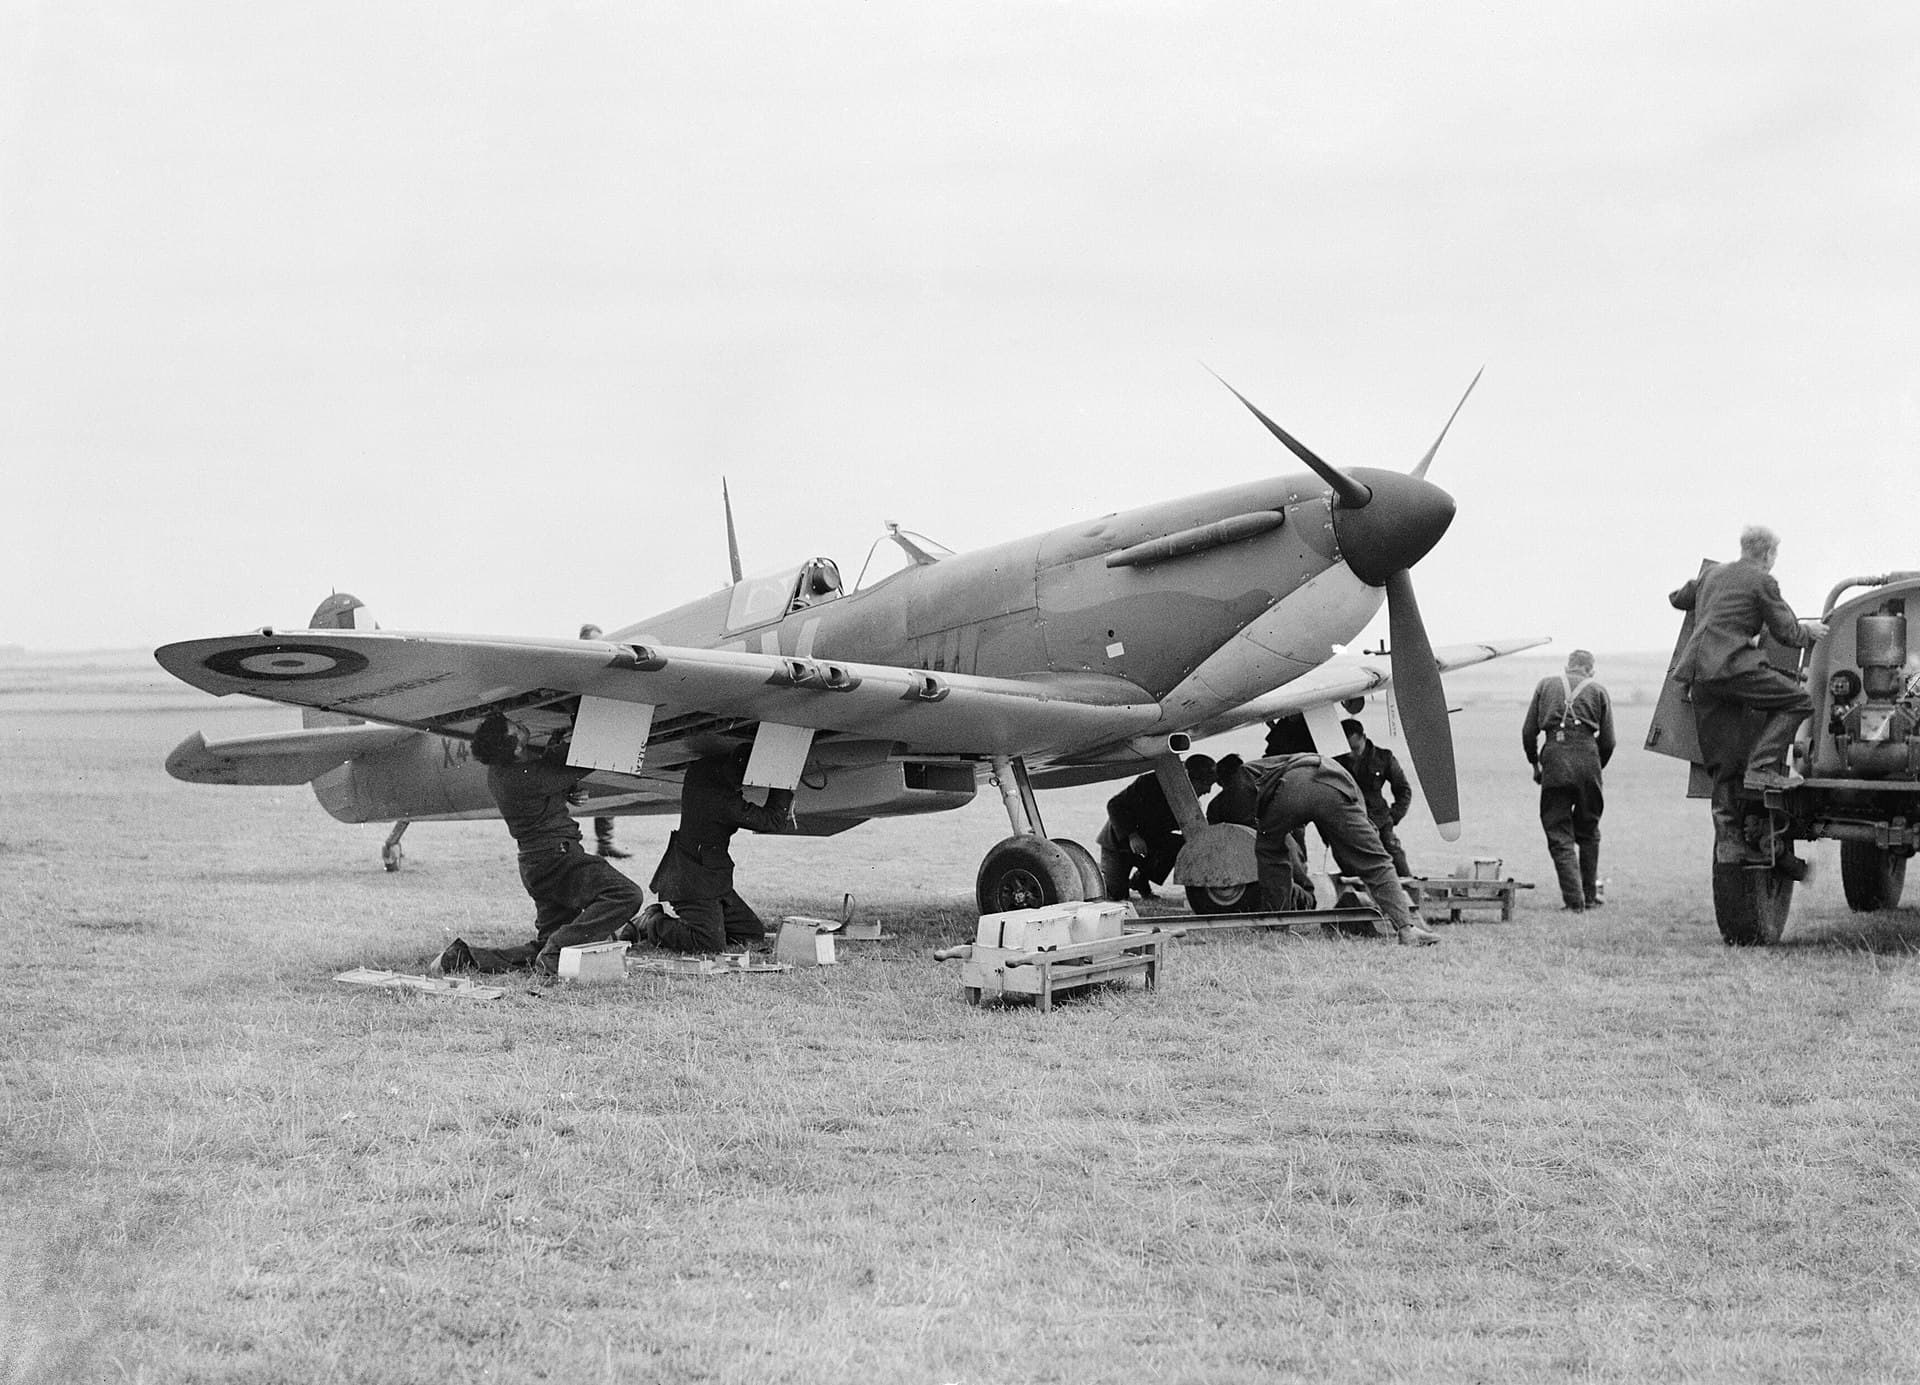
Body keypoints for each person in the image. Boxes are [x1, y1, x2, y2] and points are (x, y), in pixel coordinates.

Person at [434, 713, 646, 976]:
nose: (520, 724)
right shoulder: (527, 777)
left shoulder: (502, 772)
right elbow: (587, 758)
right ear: (515, 748)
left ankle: (465, 958)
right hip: (558, 860)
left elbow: (546, 776)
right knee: (626, 895)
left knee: (546, 942)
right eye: (515, 728)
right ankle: (555, 953)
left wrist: (566, 789)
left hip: (538, 865)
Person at [1669, 526, 1827, 797]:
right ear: (1768, 554)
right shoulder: (1763, 581)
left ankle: (1728, 826)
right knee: (1799, 701)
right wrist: (1808, 632)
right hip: (1732, 666)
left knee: (1723, 765)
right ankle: (1762, 766)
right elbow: (1786, 633)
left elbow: (1678, 599)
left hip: (1698, 674)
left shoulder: (1712, 574)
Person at [1241, 753, 1440, 945]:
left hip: (1291, 787)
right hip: (1330, 787)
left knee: (1271, 850)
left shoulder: (1253, 769)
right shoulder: (1352, 795)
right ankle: (1406, 929)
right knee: (1376, 861)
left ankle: (1277, 924)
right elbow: (1347, 841)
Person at [633, 747, 797, 953]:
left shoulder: (701, 775)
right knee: (708, 944)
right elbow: (772, 821)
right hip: (693, 883)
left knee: (749, 933)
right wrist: (783, 779)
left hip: (706, 875)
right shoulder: (723, 803)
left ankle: (702, 924)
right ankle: (652, 923)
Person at [1521, 650, 1616, 911]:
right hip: (1589, 762)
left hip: (1554, 763)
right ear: (1591, 670)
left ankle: (1574, 901)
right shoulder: (1599, 690)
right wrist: (1595, 768)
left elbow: (1528, 732)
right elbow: (1608, 742)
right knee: (1589, 831)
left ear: (1567, 667)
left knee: (1558, 832)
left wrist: (1535, 765)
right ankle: (1590, 896)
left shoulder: (1545, 685)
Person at [1096, 755, 1217, 901]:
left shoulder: (1187, 800)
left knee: (1180, 845)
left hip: (1148, 843)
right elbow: (1114, 805)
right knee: (1116, 896)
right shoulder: (1150, 783)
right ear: (1191, 780)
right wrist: (1132, 836)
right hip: (1118, 844)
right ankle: (1103, 874)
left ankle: (1140, 880)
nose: (1208, 790)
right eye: (1206, 784)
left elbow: (1192, 829)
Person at [576, 623, 631, 859]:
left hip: (599, 728)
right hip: (580, 730)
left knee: (605, 781)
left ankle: (605, 843)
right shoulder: (576, 666)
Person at [1334, 717, 1415, 877]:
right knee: (1349, 859)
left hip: (1380, 818)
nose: (1351, 754)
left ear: (1363, 738)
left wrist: (1394, 816)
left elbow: (1403, 790)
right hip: (1350, 820)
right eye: (1347, 750)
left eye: (1355, 748)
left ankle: (1408, 886)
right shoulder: (1335, 761)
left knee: (1393, 852)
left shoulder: (1384, 758)